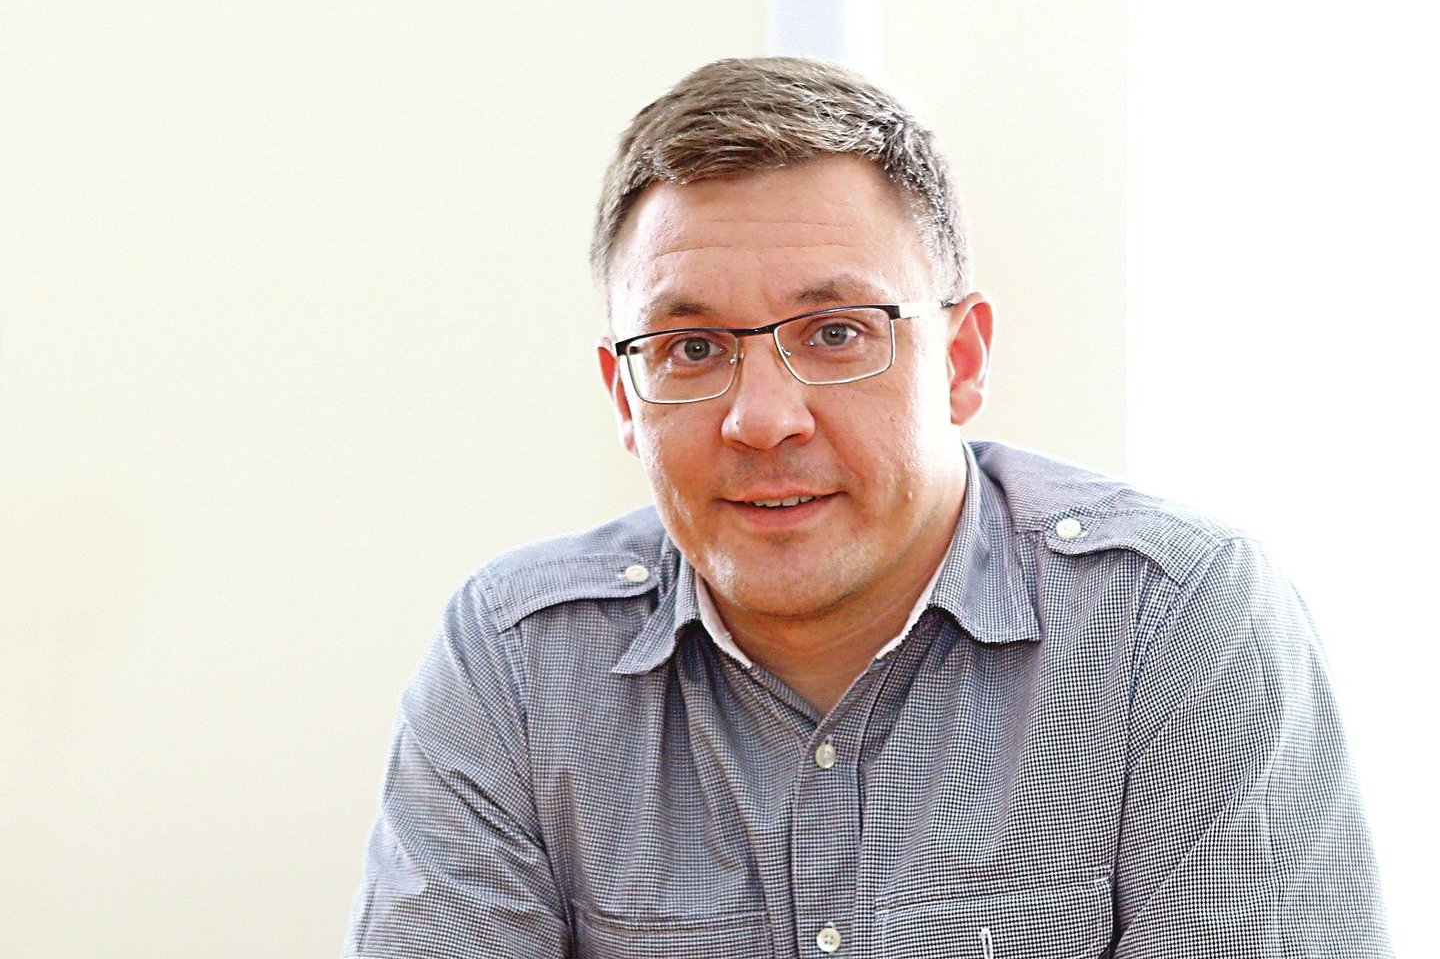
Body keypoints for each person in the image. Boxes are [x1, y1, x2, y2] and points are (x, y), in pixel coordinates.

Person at [342, 57, 1390, 958]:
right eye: (691, 348)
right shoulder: (519, 664)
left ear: (961, 362)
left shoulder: (1169, 620)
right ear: (626, 397)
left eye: (837, 333)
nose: (762, 419)